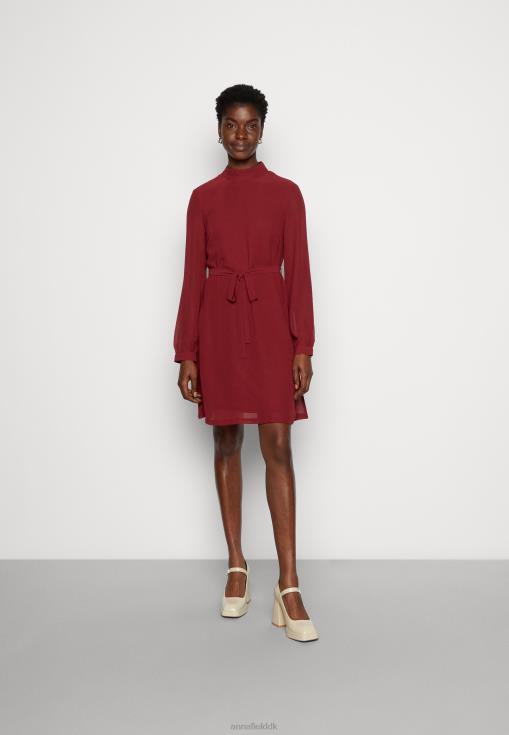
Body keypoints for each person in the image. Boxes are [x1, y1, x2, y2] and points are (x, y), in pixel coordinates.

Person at [173, 84, 318, 642]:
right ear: (218, 130)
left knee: (278, 445)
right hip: (219, 327)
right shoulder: (202, 198)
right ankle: (237, 566)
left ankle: (289, 583)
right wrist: (186, 351)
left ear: (262, 130)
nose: (240, 134)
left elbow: (298, 272)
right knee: (227, 440)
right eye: (231, 124)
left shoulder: (287, 194)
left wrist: (303, 345)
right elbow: (192, 277)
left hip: (271, 327)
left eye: (250, 124)